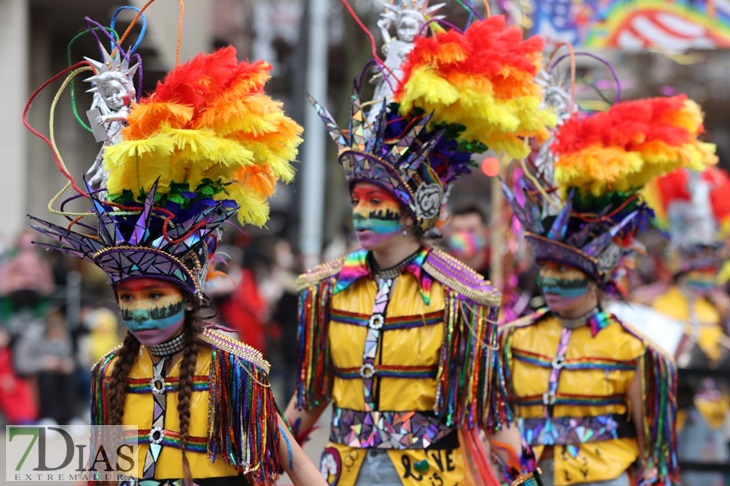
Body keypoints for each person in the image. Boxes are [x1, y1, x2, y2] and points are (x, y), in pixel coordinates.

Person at [28, 11, 324, 485]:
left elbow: (290, 459)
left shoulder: (233, 368)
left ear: (189, 296)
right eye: (127, 298)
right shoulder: (110, 373)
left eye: (153, 296)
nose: (139, 312)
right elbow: (101, 473)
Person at [286, 14, 557, 486]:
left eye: (377, 202)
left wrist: (525, 480)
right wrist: (268, 464)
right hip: (341, 473)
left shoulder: (463, 296)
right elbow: (309, 399)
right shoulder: (326, 289)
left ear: (414, 212)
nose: (361, 215)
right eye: (356, 202)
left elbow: (488, 411)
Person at [499, 91, 717, 485]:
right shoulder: (511, 340)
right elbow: (496, 420)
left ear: (596, 277)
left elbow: (654, 451)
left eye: (567, 273)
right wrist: (519, 474)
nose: (552, 282)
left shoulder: (633, 349)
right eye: (546, 269)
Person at [635, 166, 730, 486]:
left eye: (711, 258)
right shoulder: (654, 306)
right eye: (697, 257)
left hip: (713, 419)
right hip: (667, 420)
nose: (705, 268)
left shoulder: (719, 310)